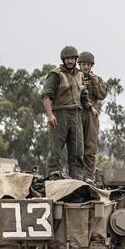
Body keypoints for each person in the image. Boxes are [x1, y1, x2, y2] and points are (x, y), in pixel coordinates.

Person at [42, 45, 85, 179]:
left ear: (76, 59)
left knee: (77, 149)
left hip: (76, 114)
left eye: (72, 58)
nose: (70, 61)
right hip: (60, 113)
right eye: (67, 59)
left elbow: (83, 94)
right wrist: (50, 114)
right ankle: (54, 175)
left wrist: (91, 107)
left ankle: (77, 177)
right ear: (63, 59)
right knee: (56, 148)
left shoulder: (80, 75)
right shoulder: (55, 74)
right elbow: (46, 96)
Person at [78, 51, 108, 182]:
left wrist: (95, 84)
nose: (85, 67)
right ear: (79, 65)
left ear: (91, 66)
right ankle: (77, 174)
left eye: (88, 65)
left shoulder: (97, 79)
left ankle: (88, 175)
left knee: (90, 145)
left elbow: (102, 95)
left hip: (92, 114)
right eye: (83, 64)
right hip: (78, 113)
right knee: (77, 145)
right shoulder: (74, 77)